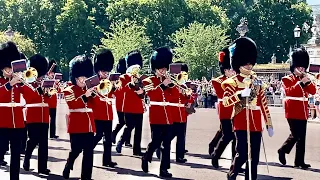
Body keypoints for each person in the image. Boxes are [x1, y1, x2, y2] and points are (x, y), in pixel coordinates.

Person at [222, 37, 274, 180]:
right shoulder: (231, 82)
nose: (250, 66)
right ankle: (232, 174)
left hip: (256, 123)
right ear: (239, 64)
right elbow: (226, 102)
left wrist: (269, 123)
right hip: (240, 120)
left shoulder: (257, 81)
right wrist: (239, 95)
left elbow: (263, 103)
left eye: (251, 63)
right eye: (246, 63)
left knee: (255, 157)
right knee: (242, 153)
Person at [141, 47, 179, 178]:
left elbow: (174, 96)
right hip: (156, 114)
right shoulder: (148, 80)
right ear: (155, 68)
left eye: (164, 68)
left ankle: (164, 169)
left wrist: (171, 85)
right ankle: (146, 156)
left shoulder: (168, 81)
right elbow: (152, 94)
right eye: (160, 68)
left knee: (166, 144)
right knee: (156, 141)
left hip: (168, 115)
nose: (163, 71)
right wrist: (163, 85)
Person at [278, 48, 316, 169]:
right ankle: (282, 150)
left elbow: (313, 91)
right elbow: (290, 91)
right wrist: (300, 83)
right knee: (295, 135)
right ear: (294, 66)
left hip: (303, 111)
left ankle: (299, 161)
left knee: (302, 137)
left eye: (303, 67)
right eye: (299, 67)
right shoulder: (287, 79)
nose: (302, 69)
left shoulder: (305, 78)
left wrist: (307, 82)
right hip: (292, 110)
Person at [62, 55, 96, 180]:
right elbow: (73, 104)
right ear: (75, 77)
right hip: (76, 124)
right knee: (75, 150)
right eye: (81, 77)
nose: (83, 80)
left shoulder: (89, 90)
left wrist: (95, 94)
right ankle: (68, 164)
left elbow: (95, 105)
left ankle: (86, 177)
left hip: (89, 124)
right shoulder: (69, 90)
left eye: (86, 77)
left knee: (89, 152)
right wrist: (85, 96)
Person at [0, 42, 27, 180]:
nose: (10, 71)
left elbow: (30, 96)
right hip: (2, 122)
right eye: (7, 68)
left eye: (11, 68)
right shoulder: (2, 82)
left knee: (16, 156)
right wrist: (10, 84)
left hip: (17, 122)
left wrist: (25, 82)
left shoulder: (18, 82)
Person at [23, 54, 51, 175]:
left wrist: (48, 93)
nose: (40, 77)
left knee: (44, 142)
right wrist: (38, 90)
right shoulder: (27, 84)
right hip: (32, 115)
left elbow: (48, 100)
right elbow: (28, 97)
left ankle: (42, 167)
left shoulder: (43, 84)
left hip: (44, 116)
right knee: (34, 140)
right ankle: (27, 156)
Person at [210, 47, 236, 168]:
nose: (233, 72)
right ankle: (216, 155)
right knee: (227, 136)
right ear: (225, 70)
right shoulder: (217, 81)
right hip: (225, 111)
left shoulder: (237, 80)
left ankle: (234, 162)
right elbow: (223, 94)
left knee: (236, 137)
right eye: (231, 69)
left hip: (237, 111)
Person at [115, 50, 145, 156]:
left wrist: (142, 92)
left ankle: (137, 150)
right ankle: (120, 142)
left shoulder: (139, 78)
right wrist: (130, 85)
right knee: (129, 126)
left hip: (138, 106)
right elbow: (120, 91)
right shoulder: (123, 78)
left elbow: (142, 92)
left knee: (139, 130)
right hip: (128, 106)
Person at [92, 49, 117, 167]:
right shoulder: (93, 81)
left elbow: (112, 94)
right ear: (98, 70)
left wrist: (115, 87)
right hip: (97, 113)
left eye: (107, 72)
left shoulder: (108, 81)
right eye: (103, 71)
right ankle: (88, 149)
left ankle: (107, 160)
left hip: (108, 113)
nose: (105, 74)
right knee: (97, 136)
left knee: (108, 139)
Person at [111, 58, 132, 146]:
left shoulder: (128, 77)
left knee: (128, 122)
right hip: (121, 103)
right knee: (123, 122)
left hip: (126, 102)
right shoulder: (120, 78)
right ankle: (114, 134)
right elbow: (118, 92)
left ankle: (126, 140)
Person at [47, 60, 59, 139]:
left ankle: (52, 134)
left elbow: (58, 91)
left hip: (53, 103)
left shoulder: (55, 82)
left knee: (53, 120)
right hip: (47, 103)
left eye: (53, 74)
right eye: (51, 73)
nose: (53, 75)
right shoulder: (45, 81)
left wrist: (56, 84)